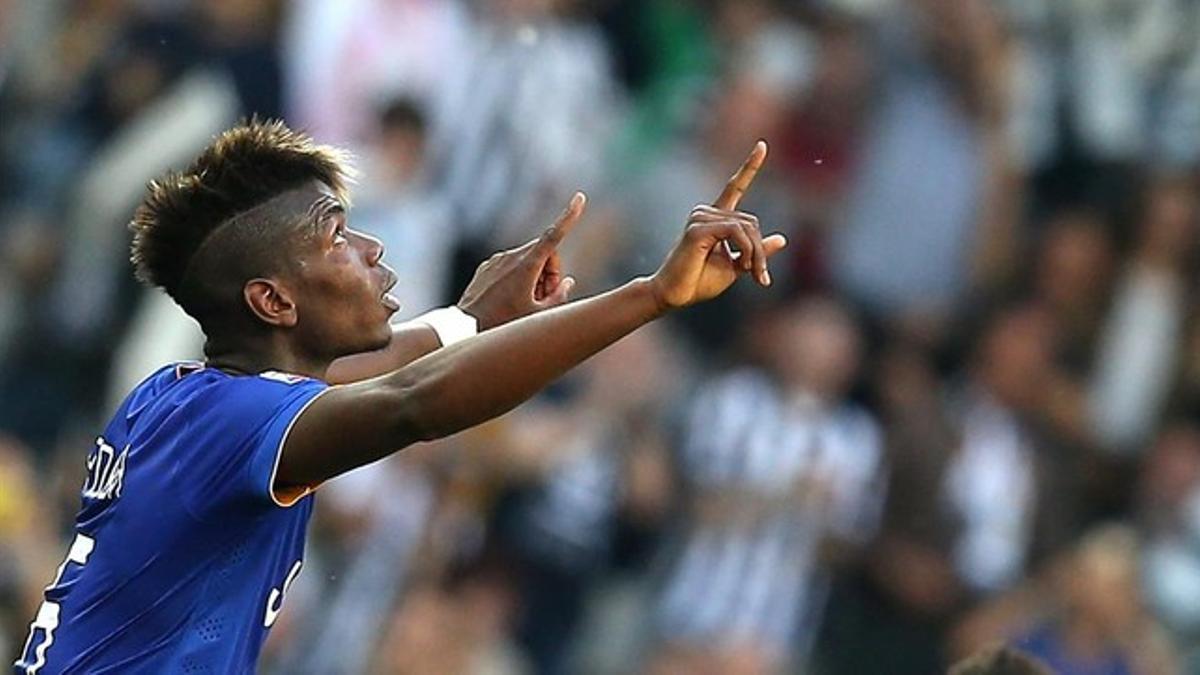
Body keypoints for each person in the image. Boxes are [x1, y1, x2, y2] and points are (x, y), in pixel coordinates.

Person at [11, 119, 785, 674]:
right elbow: (415, 398)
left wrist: (474, 316)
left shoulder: (183, 398)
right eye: (337, 234)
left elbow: (368, 375)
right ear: (274, 302)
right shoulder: (234, 420)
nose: (372, 248)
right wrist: (650, 295)